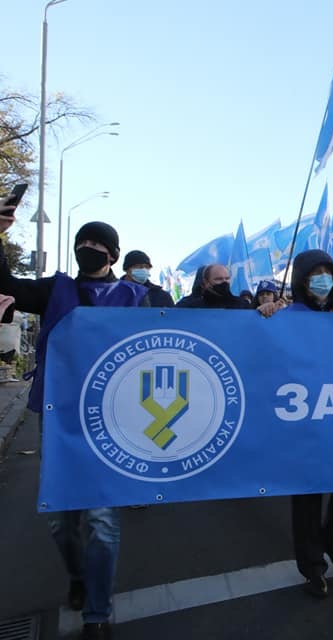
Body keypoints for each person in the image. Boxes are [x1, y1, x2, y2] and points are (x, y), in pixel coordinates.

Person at [0, 219, 149, 640]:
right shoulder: (53, 290)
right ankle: (79, 576)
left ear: (113, 255)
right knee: (61, 524)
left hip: (114, 421)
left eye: (97, 243)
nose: (88, 247)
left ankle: (97, 614)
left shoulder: (136, 298)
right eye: (82, 242)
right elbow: (5, 281)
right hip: (61, 415)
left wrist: (265, 314)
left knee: (102, 520)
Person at [281, 249, 333, 598]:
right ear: (302, 279)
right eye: (315, 273)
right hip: (304, 421)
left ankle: (332, 543)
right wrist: (265, 316)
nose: (323, 279)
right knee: (307, 497)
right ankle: (312, 565)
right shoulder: (288, 316)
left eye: (328, 273)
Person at [175, 264, 251, 309]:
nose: (224, 282)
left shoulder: (242, 305)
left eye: (227, 278)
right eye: (218, 279)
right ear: (206, 282)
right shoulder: (189, 307)